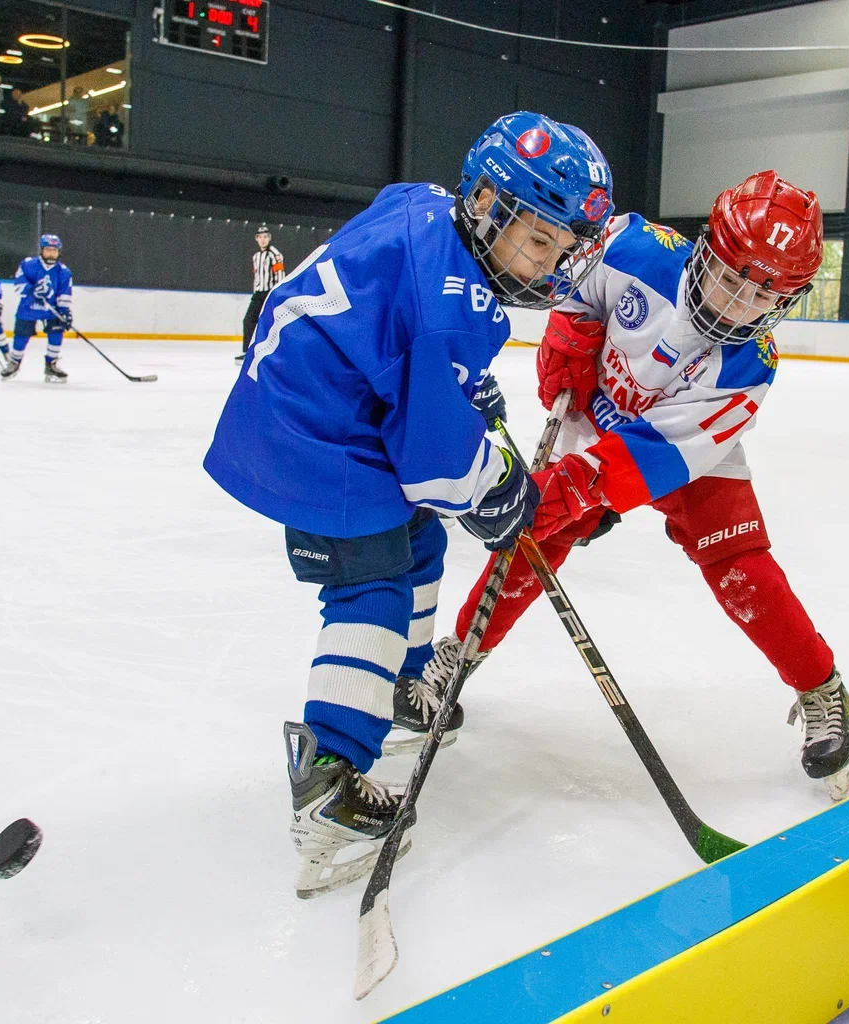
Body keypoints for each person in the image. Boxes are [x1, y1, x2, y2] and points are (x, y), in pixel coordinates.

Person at [203, 111, 614, 896]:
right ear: (488, 203)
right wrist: (499, 494)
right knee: (374, 585)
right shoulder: (451, 303)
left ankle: (400, 687)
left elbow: (391, 324)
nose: (548, 266)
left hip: (325, 401)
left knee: (420, 543)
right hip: (317, 436)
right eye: (538, 241)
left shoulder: (428, 205)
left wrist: (457, 382)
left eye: (563, 250)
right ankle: (329, 778)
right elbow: (432, 463)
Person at [415, 170, 849, 803]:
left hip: (682, 453)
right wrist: (570, 332)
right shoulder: (633, 247)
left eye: (761, 298)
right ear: (709, 250)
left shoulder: (748, 367)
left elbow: (662, 453)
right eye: (731, 280)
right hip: (597, 412)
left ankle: (822, 688)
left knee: (741, 565)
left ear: (785, 301)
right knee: (530, 540)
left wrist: (583, 485)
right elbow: (575, 283)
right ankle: (455, 659)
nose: (737, 306)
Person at [2, 234, 73, 382]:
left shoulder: (64, 272)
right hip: (28, 308)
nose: (51, 253)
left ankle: (51, 364)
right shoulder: (28, 265)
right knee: (21, 335)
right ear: (41, 250)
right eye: (48, 250)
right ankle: (14, 362)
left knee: (56, 333)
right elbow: (18, 284)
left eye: (54, 250)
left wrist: (65, 312)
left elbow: (64, 293)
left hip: (51, 310)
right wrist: (32, 291)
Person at [236, 224, 284, 364]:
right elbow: (257, 277)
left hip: (269, 294)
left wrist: (276, 295)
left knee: (270, 323)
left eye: (265, 237)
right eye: (260, 237)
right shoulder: (256, 256)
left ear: (269, 238)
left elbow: (280, 275)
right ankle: (247, 352)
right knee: (249, 321)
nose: (263, 240)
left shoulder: (275, 255)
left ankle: (273, 352)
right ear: (256, 239)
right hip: (258, 294)